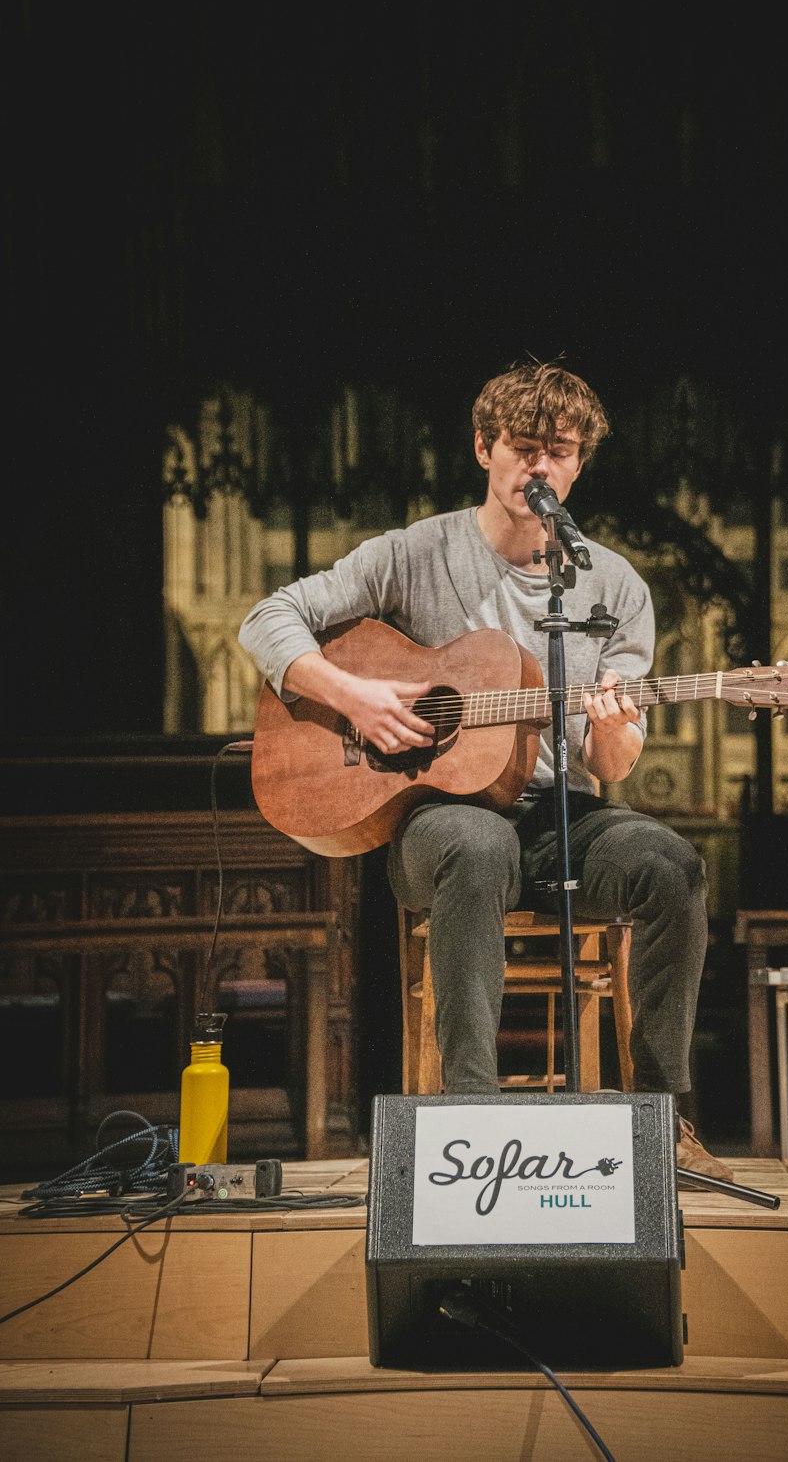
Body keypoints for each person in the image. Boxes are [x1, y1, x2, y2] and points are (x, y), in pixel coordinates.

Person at [238, 359, 732, 1183]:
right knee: (476, 842)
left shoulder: (611, 585)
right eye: (523, 447)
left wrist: (612, 728)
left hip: (563, 818)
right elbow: (268, 618)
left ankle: (663, 1120)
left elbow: (609, 761)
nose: (539, 467)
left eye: (559, 452)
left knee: (673, 868)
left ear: (579, 465)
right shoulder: (413, 554)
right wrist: (354, 698)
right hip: (436, 827)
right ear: (484, 448)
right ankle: (470, 1122)